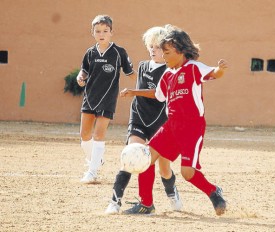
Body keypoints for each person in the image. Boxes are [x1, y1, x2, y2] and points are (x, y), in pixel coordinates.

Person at [124, 25, 228, 216]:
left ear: (181, 51)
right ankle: (146, 204)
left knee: (187, 173)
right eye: (162, 52)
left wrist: (220, 69)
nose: (163, 57)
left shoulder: (193, 68)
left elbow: (213, 73)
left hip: (192, 127)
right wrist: (134, 92)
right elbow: (157, 95)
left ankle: (213, 191)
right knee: (146, 159)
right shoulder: (167, 74)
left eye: (167, 52)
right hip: (171, 126)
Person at [105, 26, 182, 215]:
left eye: (157, 46)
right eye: (150, 46)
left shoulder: (170, 71)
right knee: (132, 156)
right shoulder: (143, 66)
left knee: (164, 170)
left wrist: (133, 92)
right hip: (139, 118)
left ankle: (171, 192)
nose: (153, 50)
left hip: (161, 123)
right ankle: (117, 202)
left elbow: (159, 95)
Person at [76, 15, 136, 183]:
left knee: (99, 134)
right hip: (90, 96)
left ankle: (92, 171)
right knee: (84, 135)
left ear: (111, 32)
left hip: (108, 97)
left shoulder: (119, 52)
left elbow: (130, 73)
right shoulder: (90, 52)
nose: (101, 34)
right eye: (98, 31)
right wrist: (80, 77)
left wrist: (144, 85)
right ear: (92, 33)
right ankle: (96, 159)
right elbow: (84, 71)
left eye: (105, 31)